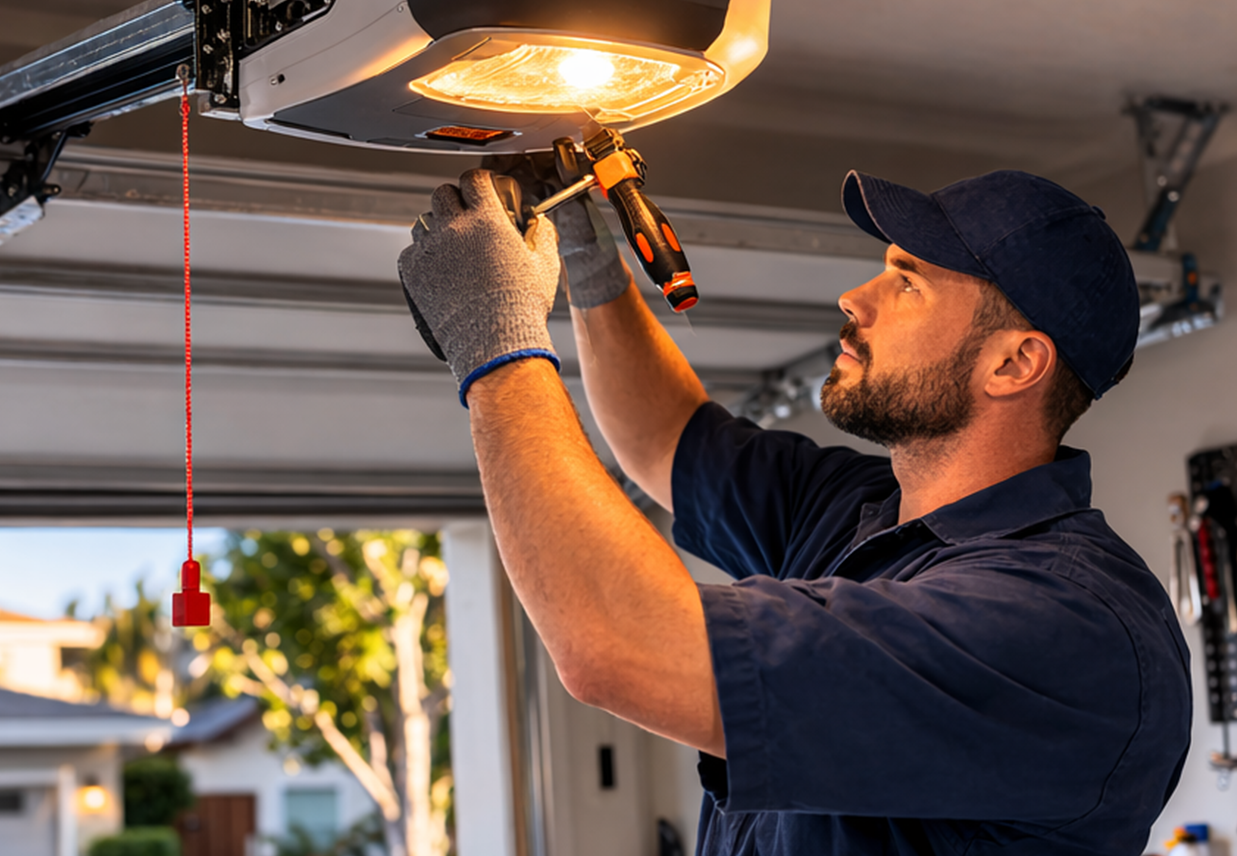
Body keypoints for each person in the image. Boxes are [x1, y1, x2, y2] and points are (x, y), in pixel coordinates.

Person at [397, 166, 1192, 855]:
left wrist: (494, 339)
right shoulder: (865, 514)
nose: (855, 295)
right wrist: (582, 240)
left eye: (907, 279)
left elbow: (615, 644)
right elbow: (663, 436)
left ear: (1013, 361)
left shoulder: (1064, 628)